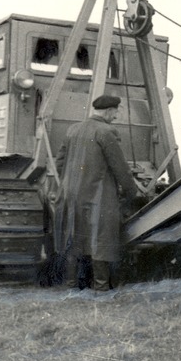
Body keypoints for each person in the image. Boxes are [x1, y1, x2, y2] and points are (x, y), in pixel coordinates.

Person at [54, 94, 140, 291]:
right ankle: (100, 288)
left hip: (71, 195)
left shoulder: (73, 129)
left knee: (73, 238)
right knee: (100, 239)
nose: (116, 116)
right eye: (116, 112)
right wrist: (130, 192)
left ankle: (71, 286)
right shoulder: (106, 131)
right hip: (98, 196)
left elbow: (60, 163)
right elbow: (120, 168)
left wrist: (70, 182)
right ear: (109, 111)